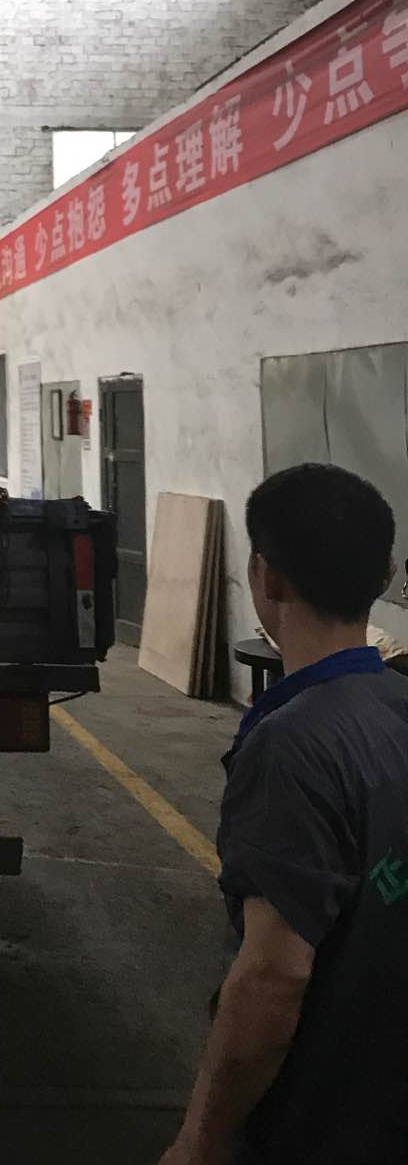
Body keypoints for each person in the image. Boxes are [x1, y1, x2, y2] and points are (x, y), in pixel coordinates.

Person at [158, 463, 408, 1165]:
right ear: (385, 574)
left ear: (266, 578)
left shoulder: (291, 747)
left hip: (325, 1124)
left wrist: (199, 1141)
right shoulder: (397, 705)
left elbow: (274, 978)